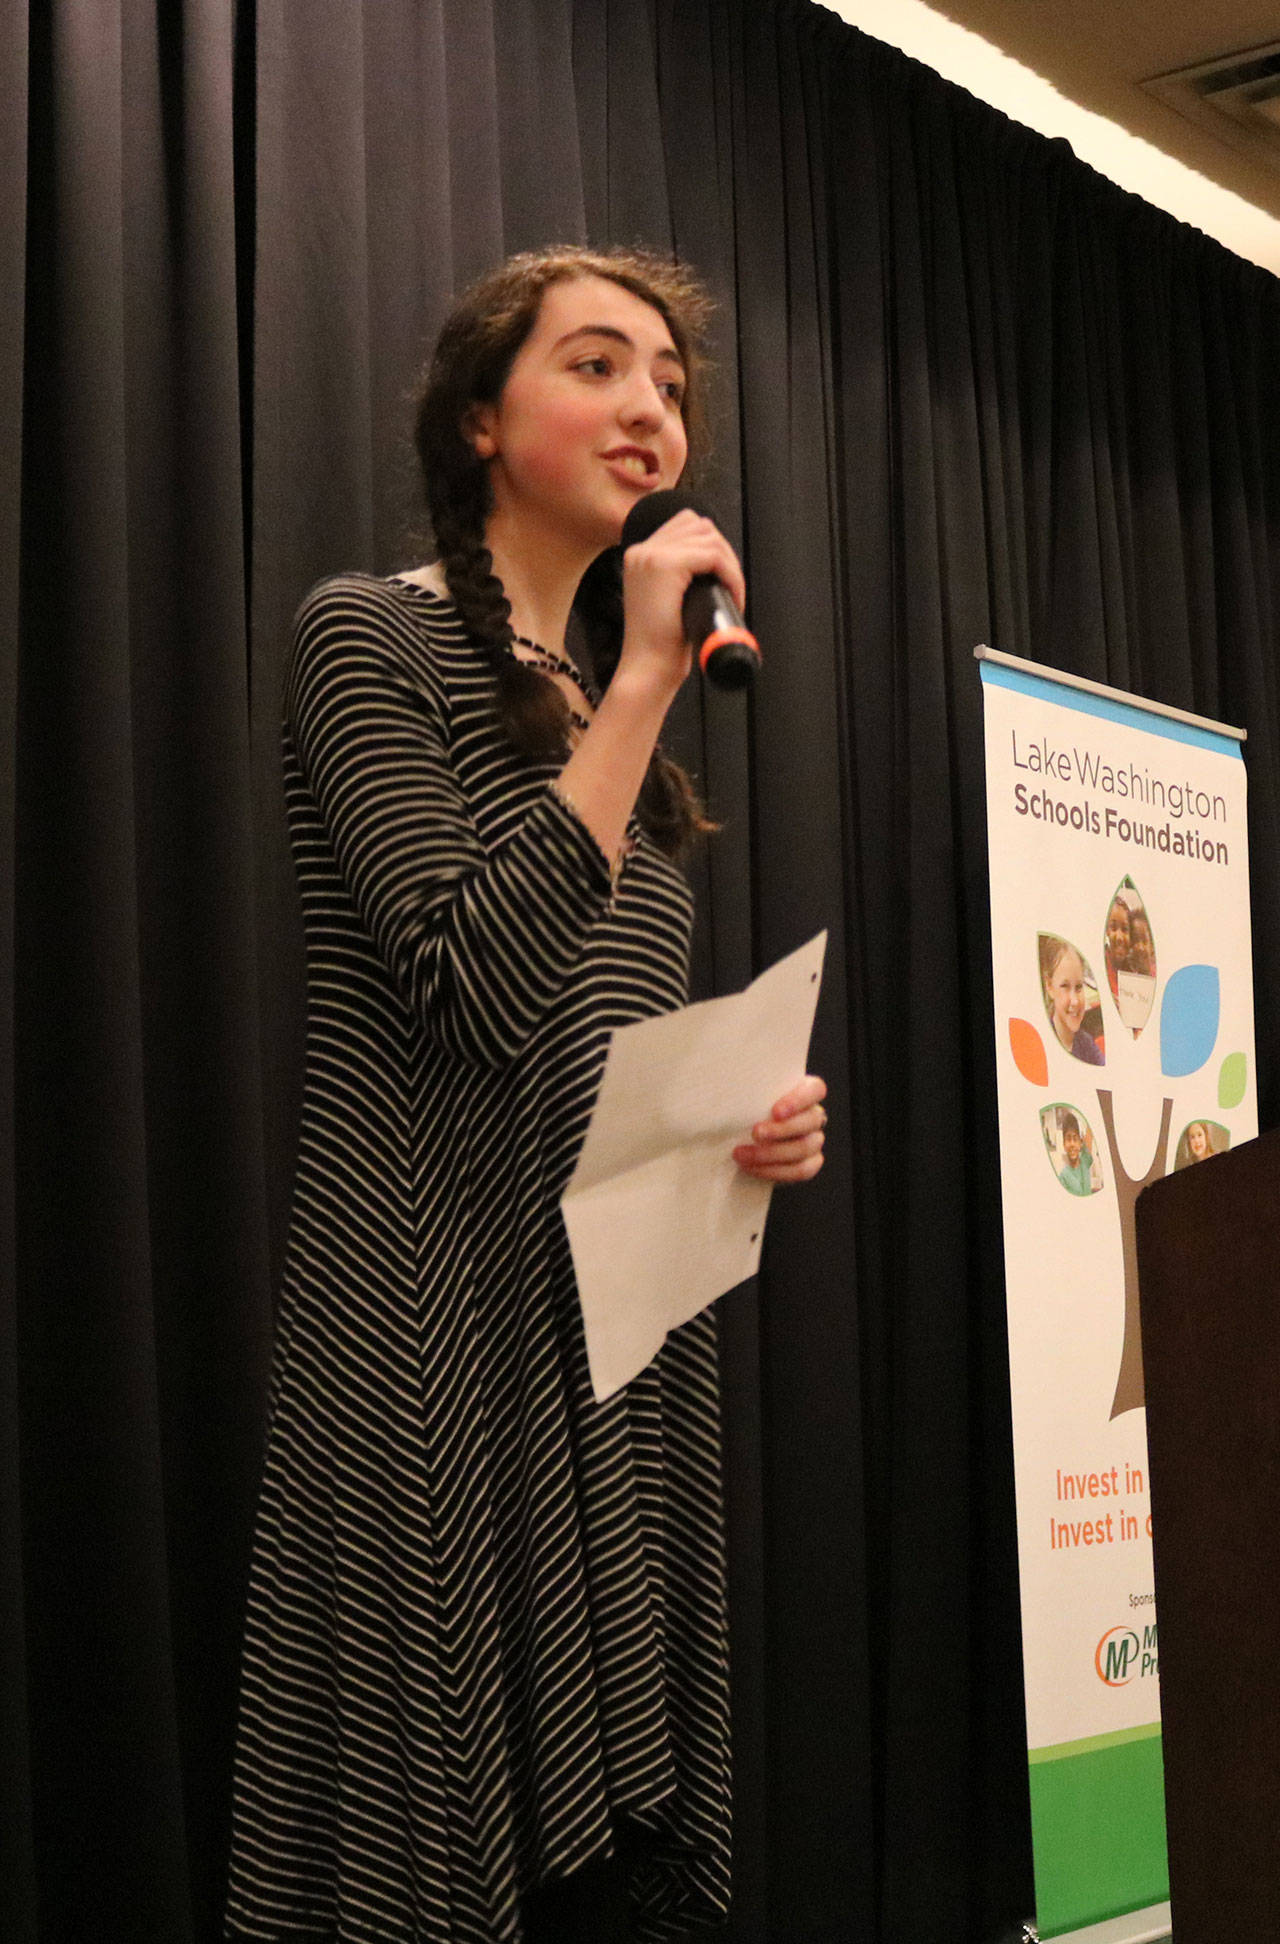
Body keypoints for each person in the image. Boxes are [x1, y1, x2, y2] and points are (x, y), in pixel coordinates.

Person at [225, 245, 828, 1944]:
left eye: (669, 382)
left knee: (621, 1875)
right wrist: (640, 676)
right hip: (432, 1333)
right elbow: (465, 981)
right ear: (483, 420)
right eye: (596, 365)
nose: (649, 405)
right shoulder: (368, 634)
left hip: (614, 1346)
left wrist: (738, 1127)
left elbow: (597, 1043)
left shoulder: (620, 725)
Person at [1039, 934, 1104, 1065]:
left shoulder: (1086, 1044)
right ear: (1049, 986)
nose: (1075, 1001)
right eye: (1065, 986)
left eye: (1079, 987)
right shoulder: (1041, 1044)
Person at [1057, 1112, 1094, 1195]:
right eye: (1068, 1139)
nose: (1072, 1144)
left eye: (1075, 1139)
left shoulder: (1085, 1161)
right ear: (1064, 1144)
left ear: (1080, 1143)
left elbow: (1092, 1122)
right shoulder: (1063, 1177)